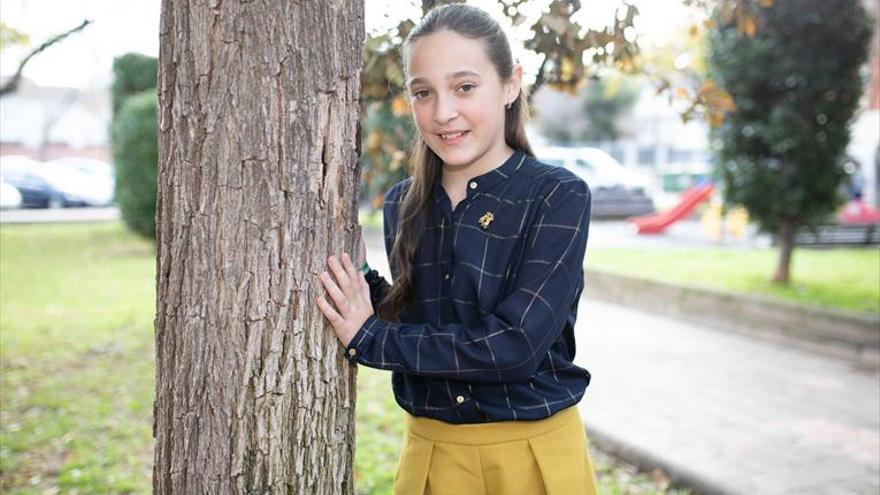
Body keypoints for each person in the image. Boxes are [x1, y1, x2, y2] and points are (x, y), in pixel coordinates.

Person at [315, 4, 598, 494]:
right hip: (431, 454)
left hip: (532, 455)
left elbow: (515, 346)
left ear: (511, 84)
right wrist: (359, 276)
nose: (443, 112)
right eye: (423, 92)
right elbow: (419, 316)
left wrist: (371, 339)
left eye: (465, 87)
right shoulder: (403, 203)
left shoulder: (557, 195)